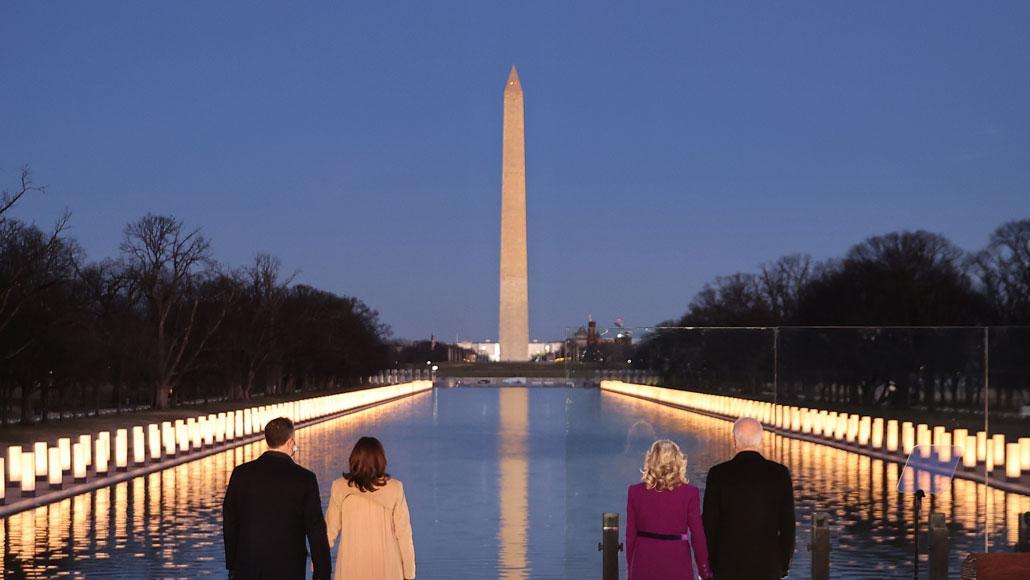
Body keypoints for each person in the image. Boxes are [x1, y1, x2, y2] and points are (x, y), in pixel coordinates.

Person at [222, 417, 332, 580]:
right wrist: (321, 574)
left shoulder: (241, 474)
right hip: (288, 568)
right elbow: (316, 531)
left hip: (247, 567)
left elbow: (230, 523)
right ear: (290, 442)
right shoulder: (304, 479)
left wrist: (232, 565)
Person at [702, 418, 795, 580]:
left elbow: (709, 525)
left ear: (734, 441)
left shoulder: (718, 474)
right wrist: (783, 565)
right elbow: (787, 526)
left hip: (726, 567)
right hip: (768, 567)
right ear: (761, 441)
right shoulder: (779, 474)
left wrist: (709, 565)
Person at [326, 436, 415, 580]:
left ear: (354, 459)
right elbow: (404, 535)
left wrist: (317, 565)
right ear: (381, 460)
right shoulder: (395, 489)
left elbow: (329, 533)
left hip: (351, 567)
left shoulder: (340, 487)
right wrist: (409, 574)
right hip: (388, 568)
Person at [626, 439, 711, 580]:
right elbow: (698, 536)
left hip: (643, 564)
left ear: (650, 461)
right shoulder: (690, 493)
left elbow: (630, 536)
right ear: (678, 462)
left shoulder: (635, 492)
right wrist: (704, 571)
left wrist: (631, 569)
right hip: (678, 563)